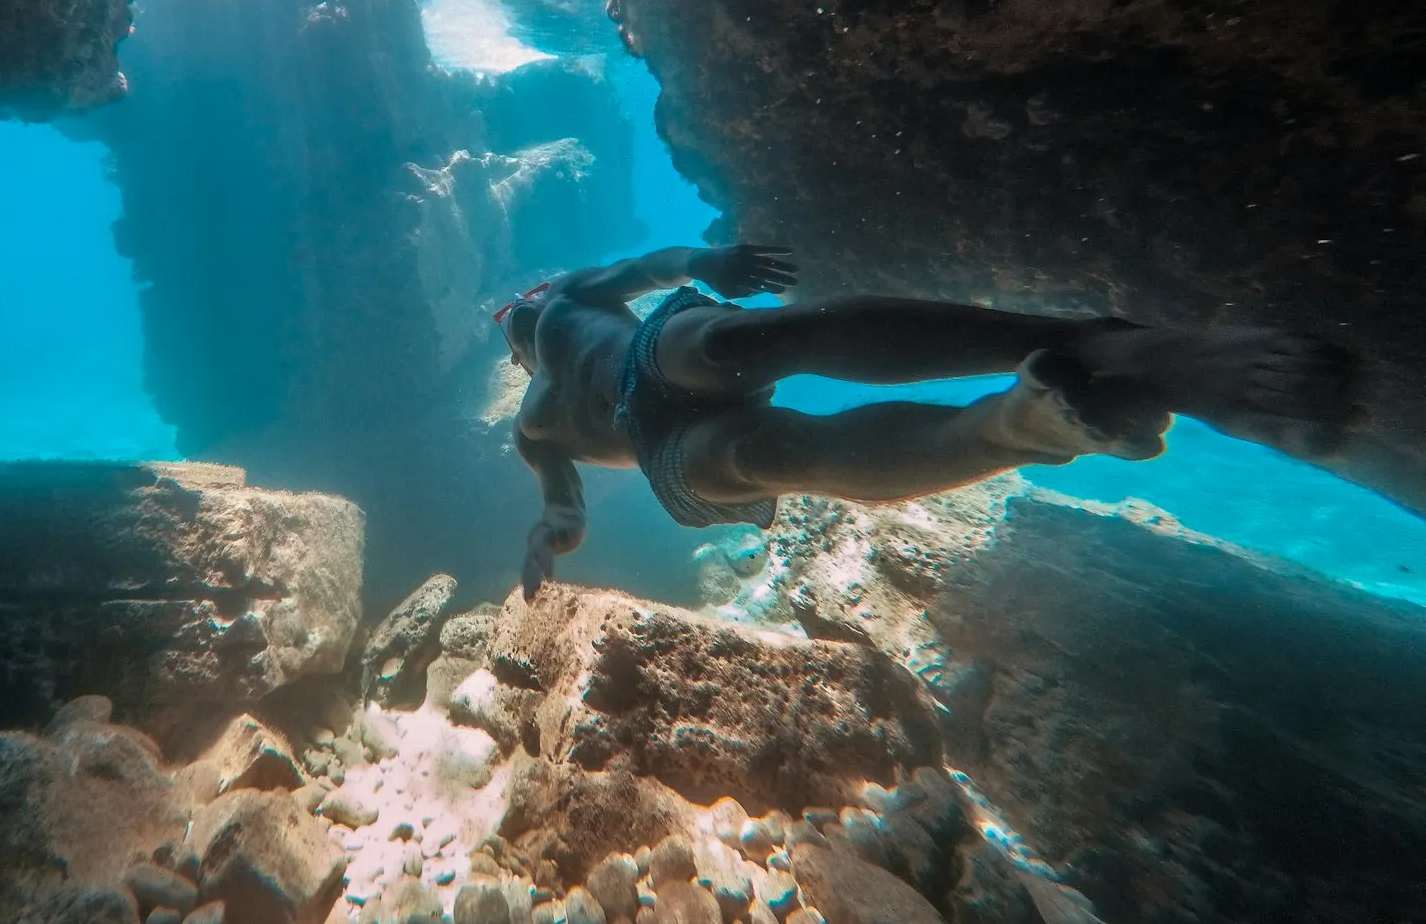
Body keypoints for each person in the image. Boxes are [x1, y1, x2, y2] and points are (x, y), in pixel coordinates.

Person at [497, 242, 1359, 597]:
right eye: (507, 325)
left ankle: (1118, 349)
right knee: (773, 455)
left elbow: (649, 266)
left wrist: (709, 260)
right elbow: (562, 506)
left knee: (742, 337)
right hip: (661, 444)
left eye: (511, 308)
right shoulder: (533, 426)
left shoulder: (565, 297)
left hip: (649, 351)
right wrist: (549, 540)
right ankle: (1024, 425)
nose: (511, 320)